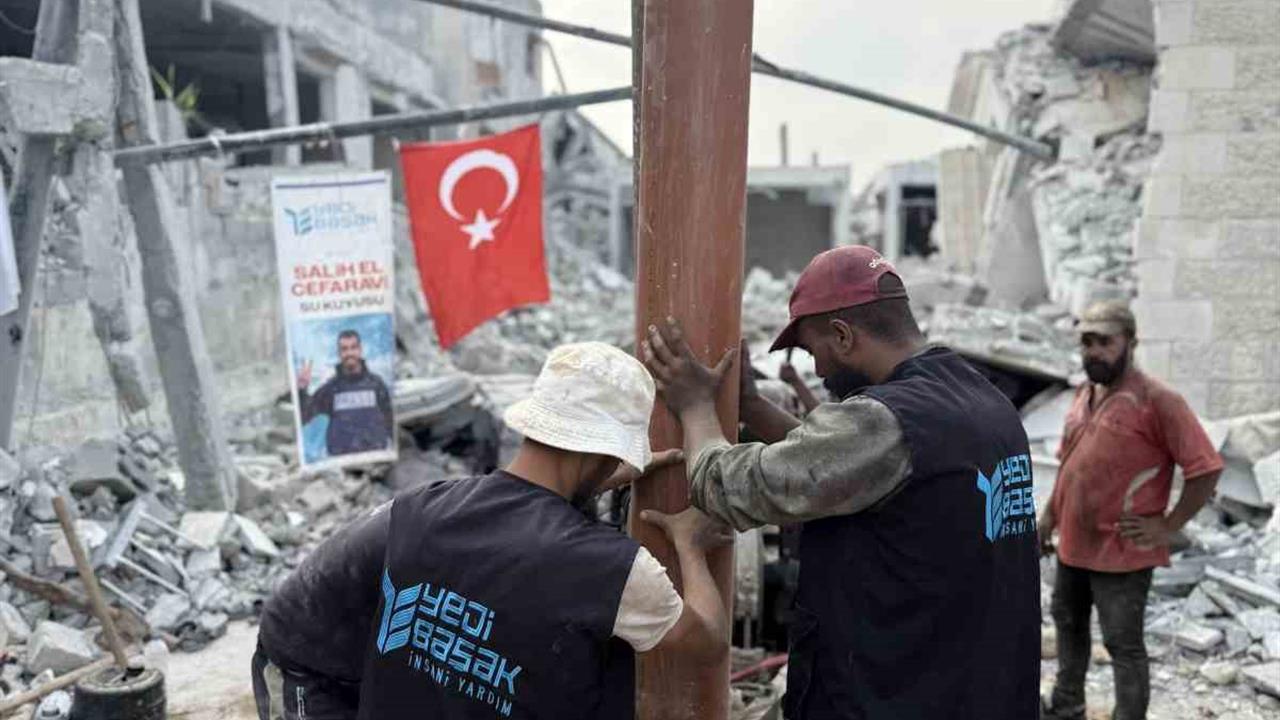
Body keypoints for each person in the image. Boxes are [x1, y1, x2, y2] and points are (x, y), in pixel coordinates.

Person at [641, 245, 1040, 719]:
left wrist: (695, 407)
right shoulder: (977, 400)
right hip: (976, 690)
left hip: (897, 696)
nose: (818, 370)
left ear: (843, 335)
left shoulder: (888, 420)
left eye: (814, 351)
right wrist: (750, 406)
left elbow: (728, 487)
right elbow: (850, 468)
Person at [253, 342, 731, 720]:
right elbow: (707, 641)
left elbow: (525, 512)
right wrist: (689, 546)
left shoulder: (422, 508)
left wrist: (593, 478)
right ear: (605, 454)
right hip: (310, 669)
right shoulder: (613, 570)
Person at [1039, 301, 1223, 720]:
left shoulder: (1158, 400)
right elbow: (1070, 464)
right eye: (1086, 341)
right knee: (1068, 625)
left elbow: (1206, 468)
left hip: (1122, 551)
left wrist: (1169, 525)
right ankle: (1068, 706)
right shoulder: (1084, 395)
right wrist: (1049, 517)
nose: (1093, 350)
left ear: (1131, 343)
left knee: (1123, 644)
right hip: (1072, 543)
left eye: (1105, 341)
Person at [296, 329, 394, 457]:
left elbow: (390, 421)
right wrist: (301, 390)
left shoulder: (376, 384)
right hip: (343, 464)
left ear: (360, 350)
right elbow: (304, 415)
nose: (349, 353)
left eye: (353, 348)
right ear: (339, 353)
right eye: (344, 349)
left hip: (375, 460)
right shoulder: (331, 389)